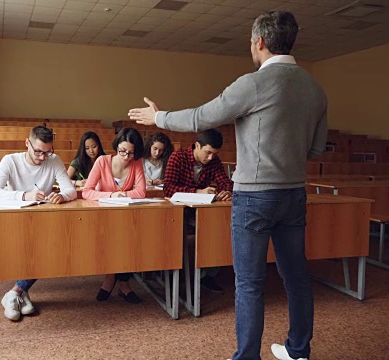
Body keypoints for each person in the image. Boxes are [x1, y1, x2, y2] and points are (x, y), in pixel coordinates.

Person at [128, 10, 327, 360]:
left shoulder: (252, 83)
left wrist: (158, 117)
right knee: (296, 276)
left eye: (252, 42)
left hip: (254, 196)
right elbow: (315, 148)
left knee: (249, 283)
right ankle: (299, 351)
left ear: (260, 42)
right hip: (294, 193)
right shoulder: (315, 88)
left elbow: (201, 117)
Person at [0, 125, 77, 321]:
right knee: (37, 248)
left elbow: (71, 191)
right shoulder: (10, 161)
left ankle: (15, 293)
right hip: (14, 220)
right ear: (27, 143)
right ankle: (20, 293)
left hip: (41, 221)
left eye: (47, 152)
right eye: (38, 151)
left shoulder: (53, 160)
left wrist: (62, 195)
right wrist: (24, 195)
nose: (42, 157)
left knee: (47, 246)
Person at [163, 129, 233, 294]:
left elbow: (225, 181)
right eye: (208, 152)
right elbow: (168, 189)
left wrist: (226, 191)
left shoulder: (213, 161)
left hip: (200, 211)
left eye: (214, 154)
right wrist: (197, 192)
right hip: (177, 211)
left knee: (220, 227)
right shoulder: (178, 157)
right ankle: (176, 274)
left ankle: (207, 274)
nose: (210, 158)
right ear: (197, 145)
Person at [82, 127, 146, 303]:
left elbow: (141, 192)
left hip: (127, 217)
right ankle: (114, 278)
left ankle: (121, 282)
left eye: (131, 153)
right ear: (116, 146)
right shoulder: (102, 161)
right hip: (105, 217)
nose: (126, 157)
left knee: (130, 238)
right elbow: (87, 191)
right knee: (115, 239)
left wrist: (123, 195)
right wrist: (111, 195)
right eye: (122, 151)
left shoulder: (136, 163)